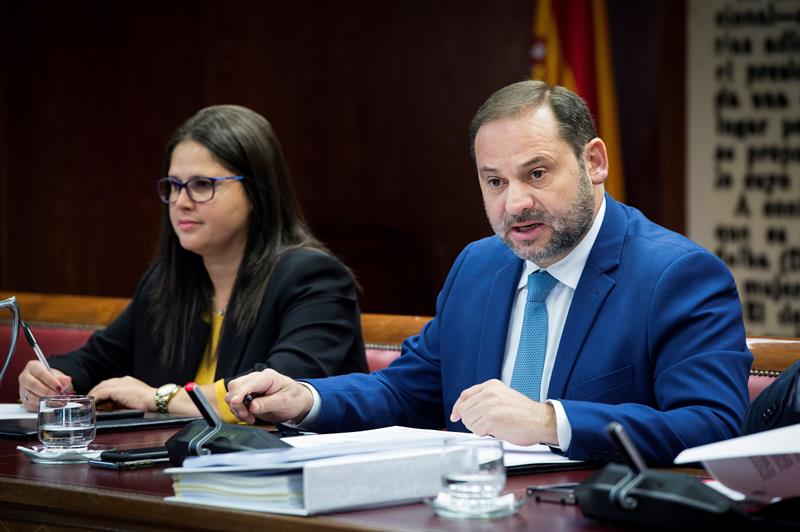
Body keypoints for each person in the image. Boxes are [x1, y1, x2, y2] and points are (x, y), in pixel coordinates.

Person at [225, 81, 752, 465]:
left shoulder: (677, 276)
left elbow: (711, 427)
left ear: (594, 162)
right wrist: (306, 398)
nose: (515, 203)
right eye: (494, 182)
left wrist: (549, 421)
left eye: (537, 173)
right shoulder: (479, 266)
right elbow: (408, 390)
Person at [18, 105, 368, 420]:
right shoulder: (166, 282)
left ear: (256, 193)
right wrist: (50, 379)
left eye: (202, 185)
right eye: (173, 186)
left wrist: (157, 398)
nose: (181, 202)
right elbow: (96, 360)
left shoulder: (315, 280)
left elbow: (269, 394)